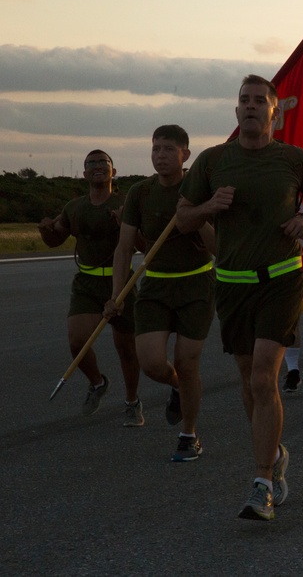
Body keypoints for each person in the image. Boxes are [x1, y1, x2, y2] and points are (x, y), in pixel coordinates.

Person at [176, 74, 303, 522]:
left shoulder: (295, 159)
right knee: (248, 382)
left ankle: (262, 481)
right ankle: (276, 451)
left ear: (274, 112)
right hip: (232, 282)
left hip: (281, 277)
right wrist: (209, 208)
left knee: (264, 378)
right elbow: (184, 219)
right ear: (235, 110)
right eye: (243, 100)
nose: (250, 106)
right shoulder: (213, 161)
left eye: (259, 101)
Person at [104, 125, 215, 460]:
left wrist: (195, 213)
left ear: (185, 155)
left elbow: (217, 247)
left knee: (187, 360)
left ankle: (188, 435)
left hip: (196, 283)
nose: (160, 156)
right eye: (155, 149)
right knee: (152, 362)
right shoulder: (140, 192)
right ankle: (178, 387)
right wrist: (117, 294)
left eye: (168, 149)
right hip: (155, 284)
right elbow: (124, 249)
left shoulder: (199, 190)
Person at [38, 150, 142, 423]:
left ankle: (132, 402)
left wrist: (123, 222)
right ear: (84, 174)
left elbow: (143, 244)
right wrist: (46, 230)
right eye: (91, 163)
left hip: (121, 281)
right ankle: (97, 383)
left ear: (113, 171)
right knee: (76, 341)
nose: (97, 166)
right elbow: (55, 239)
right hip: (87, 282)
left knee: (127, 349)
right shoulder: (74, 207)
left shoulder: (126, 203)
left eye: (103, 162)